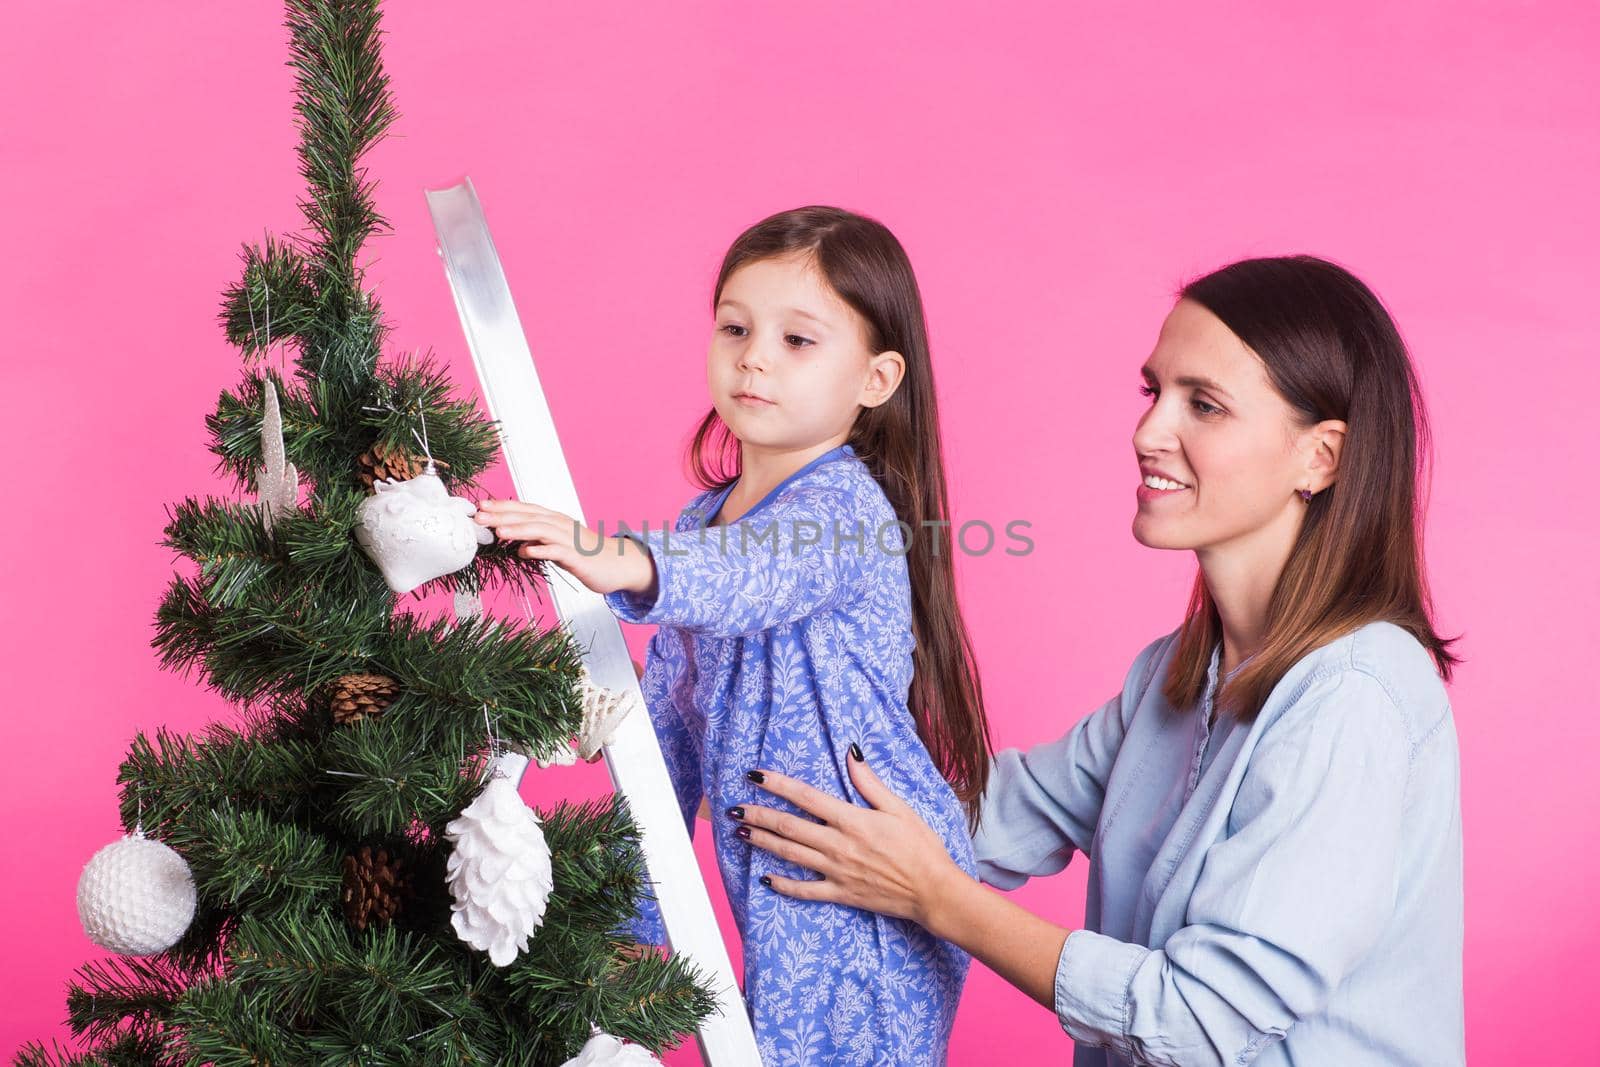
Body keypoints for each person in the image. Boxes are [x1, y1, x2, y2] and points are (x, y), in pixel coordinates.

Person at [731, 255, 1466, 1065]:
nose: (1147, 431)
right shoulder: (1174, 677)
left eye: (1205, 405)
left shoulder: (1354, 697)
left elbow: (1199, 1019)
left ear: (1320, 457)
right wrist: (753, 765)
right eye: (1154, 392)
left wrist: (938, 899)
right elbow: (982, 819)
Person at [474, 205, 994, 1064]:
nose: (754, 355)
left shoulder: (846, 511)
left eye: (799, 340)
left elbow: (759, 572)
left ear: (876, 377)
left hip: (871, 878)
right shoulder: (706, 518)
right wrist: (611, 918)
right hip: (784, 873)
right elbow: (672, 728)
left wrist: (621, 558)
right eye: (735, 327)